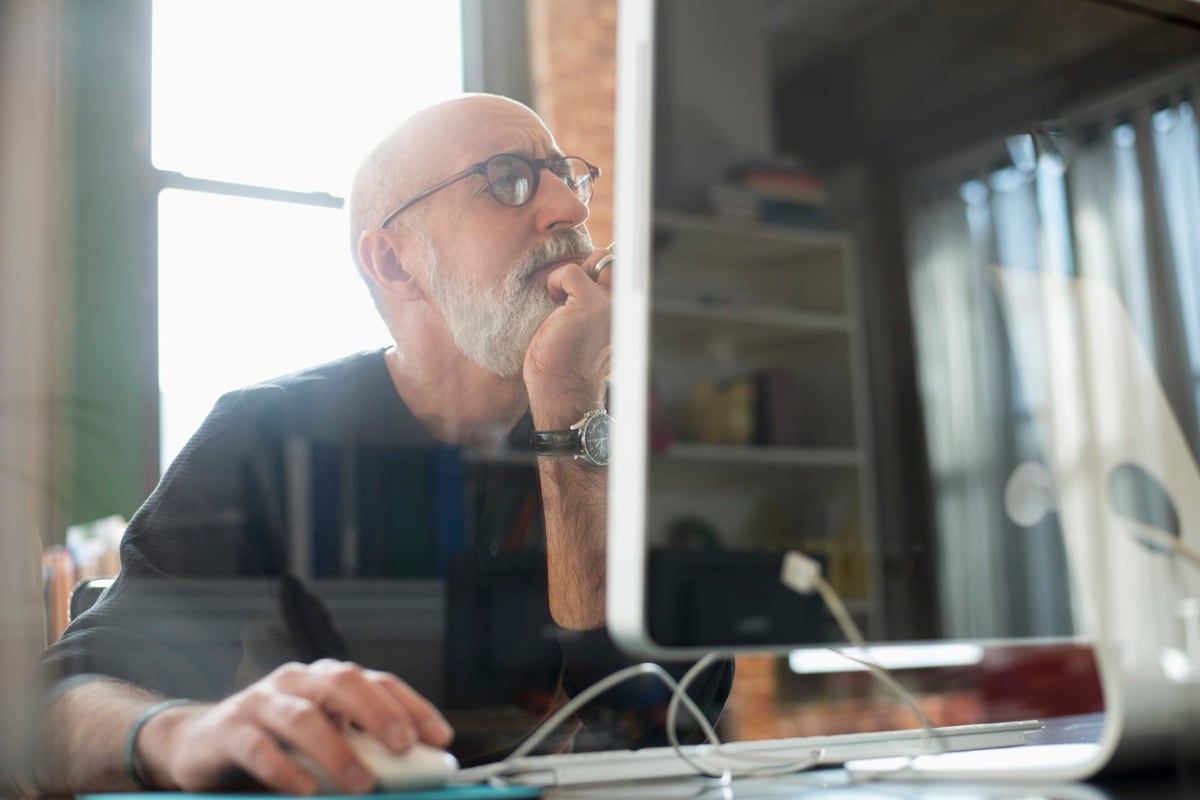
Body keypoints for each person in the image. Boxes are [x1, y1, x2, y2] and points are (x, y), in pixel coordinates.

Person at [32, 94, 731, 795]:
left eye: (566, 176)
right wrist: (183, 730)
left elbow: (666, 726)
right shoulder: (263, 436)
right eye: (509, 178)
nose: (571, 211)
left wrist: (567, 405)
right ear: (394, 263)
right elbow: (47, 717)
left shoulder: (616, 441)